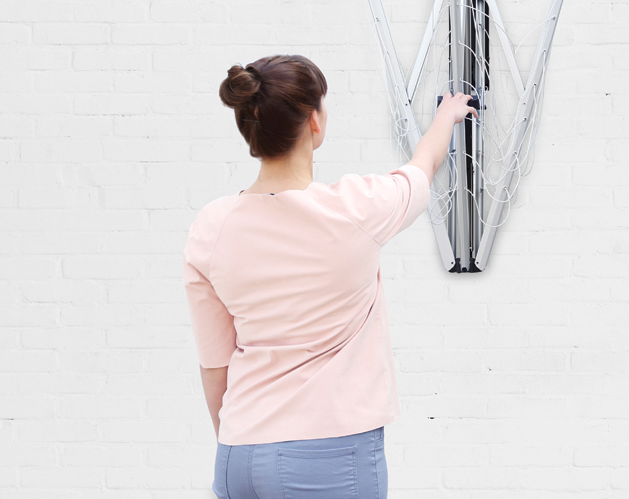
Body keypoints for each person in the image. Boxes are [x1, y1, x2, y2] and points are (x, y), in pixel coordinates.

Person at [183, 54, 475, 499]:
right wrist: (447, 115)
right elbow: (424, 166)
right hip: (328, 455)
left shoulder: (211, 226)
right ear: (314, 122)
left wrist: (239, 435)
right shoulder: (355, 209)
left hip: (237, 456)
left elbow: (214, 364)